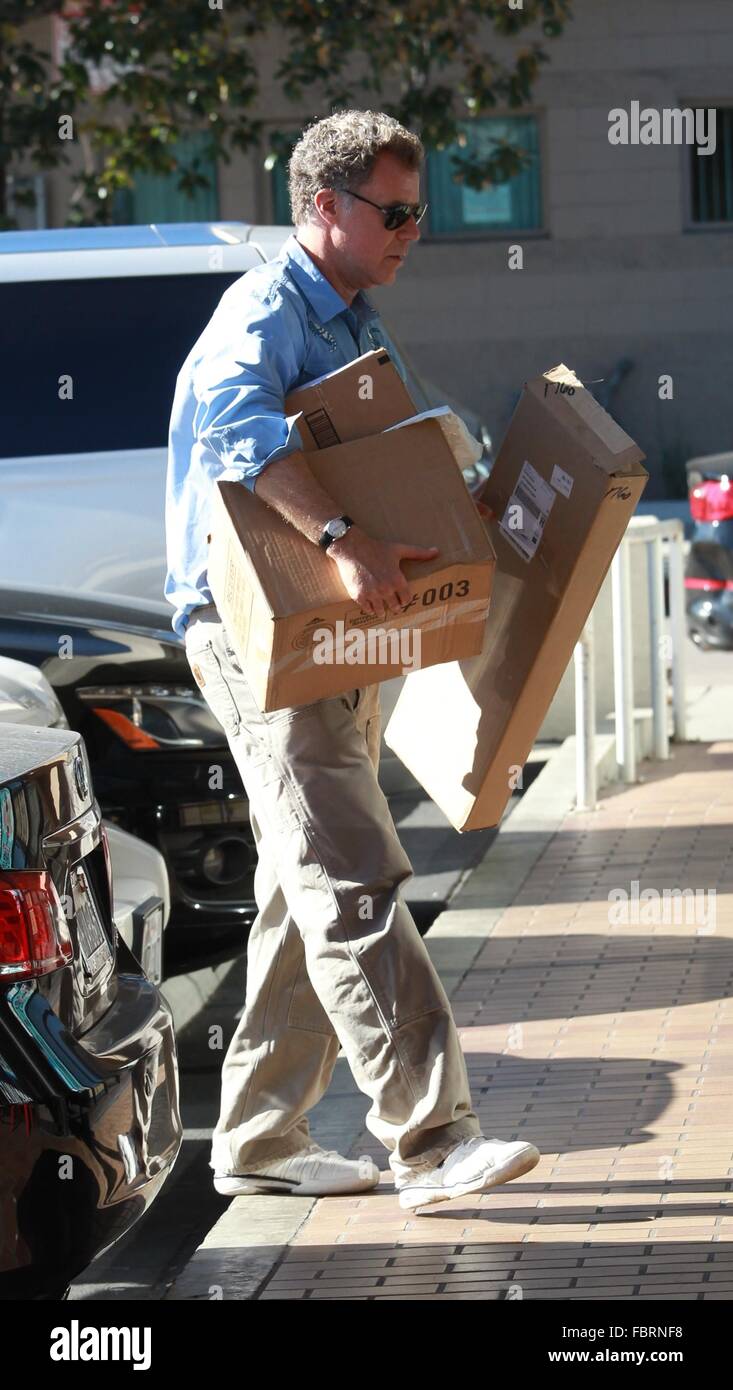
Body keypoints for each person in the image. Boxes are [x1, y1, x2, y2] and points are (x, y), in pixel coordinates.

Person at [164, 108, 540, 1211]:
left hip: (334, 633)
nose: (413, 230)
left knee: (304, 875)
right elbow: (238, 423)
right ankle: (428, 1140)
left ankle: (260, 1134)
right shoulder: (266, 312)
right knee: (353, 877)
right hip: (260, 639)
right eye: (396, 211)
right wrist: (344, 538)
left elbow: (402, 445)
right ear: (323, 205)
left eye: (419, 210)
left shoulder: (349, 319)